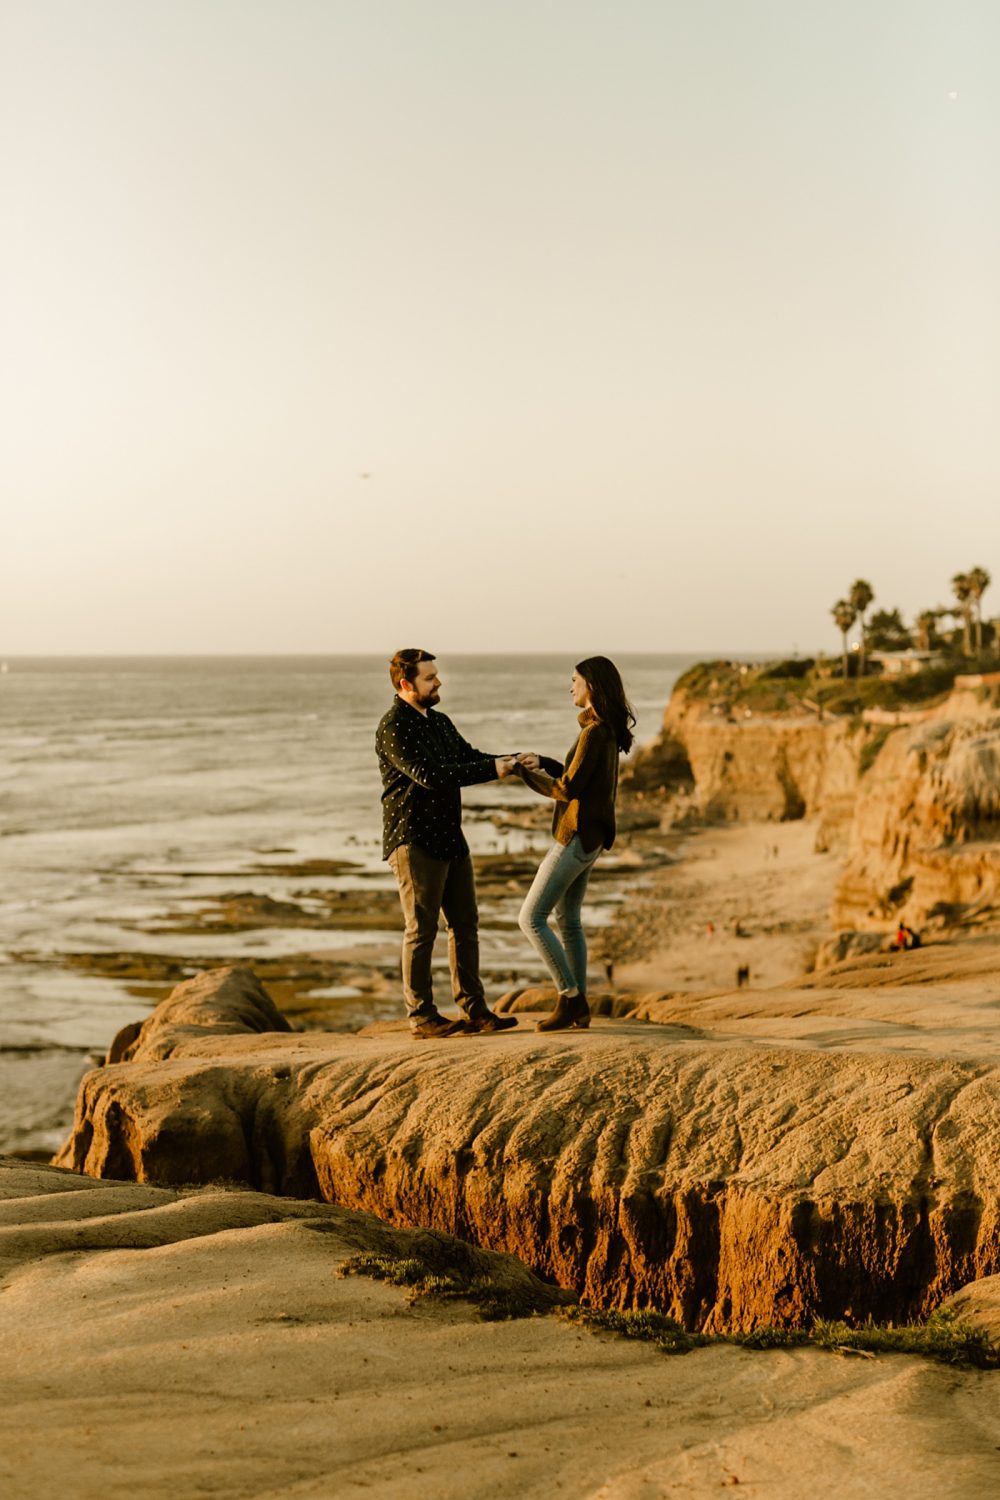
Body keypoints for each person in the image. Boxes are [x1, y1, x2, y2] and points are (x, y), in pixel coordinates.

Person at [376, 648, 521, 1039]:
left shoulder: (439, 721)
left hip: (450, 837)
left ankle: (475, 1009)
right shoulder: (393, 726)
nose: (438, 681)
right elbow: (431, 775)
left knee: (465, 925)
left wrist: (511, 761)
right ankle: (421, 1016)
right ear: (407, 684)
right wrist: (492, 769)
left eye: (436, 675)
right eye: (429, 677)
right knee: (421, 931)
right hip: (414, 840)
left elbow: (467, 757)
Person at [515, 656, 635, 1032]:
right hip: (593, 839)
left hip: (576, 837)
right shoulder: (606, 731)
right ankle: (580, 1008)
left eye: (574, 681)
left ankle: (569, 997)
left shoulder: (594, 732)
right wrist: (546, 762)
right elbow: (580, 776)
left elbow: (567, 788)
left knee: (530, 918)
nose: (570, 687)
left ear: (592, 686)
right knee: (568, 921)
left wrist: (522, 773)